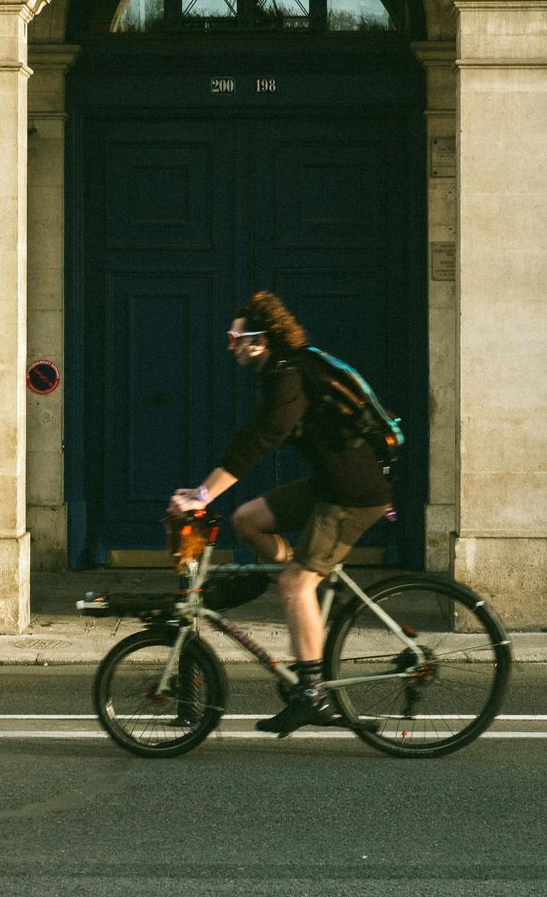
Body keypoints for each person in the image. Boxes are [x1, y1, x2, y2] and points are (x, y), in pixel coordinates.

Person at [168, 291, 392, 736]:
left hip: (353, 492)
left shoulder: (290, 375)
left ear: (261, 340)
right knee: (247, 520)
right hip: (330, 483)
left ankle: (312, 694)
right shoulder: (285, 371)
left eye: (236, 339)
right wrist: (202, 491)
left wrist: (203, 495)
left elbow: (262, 438)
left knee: (293, 584)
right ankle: (308, 578)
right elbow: (253, 434)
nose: (230, 347)